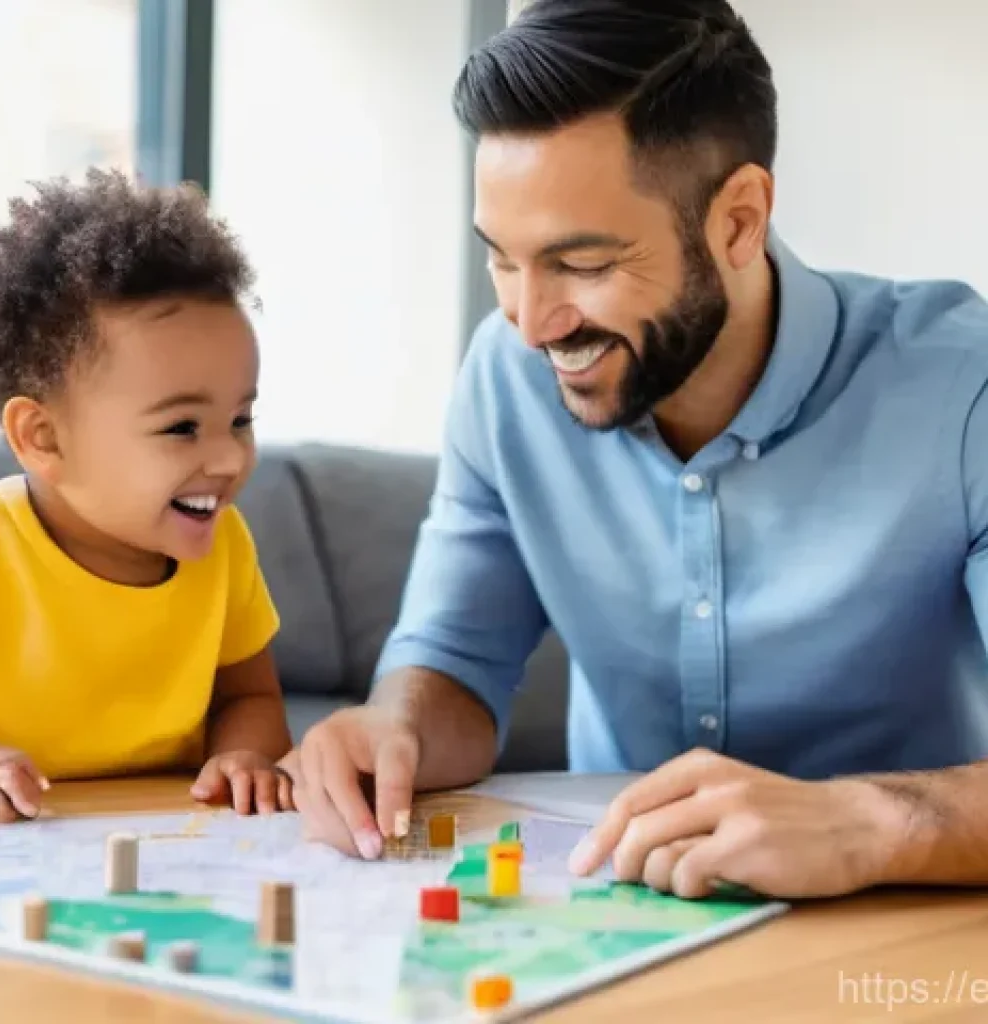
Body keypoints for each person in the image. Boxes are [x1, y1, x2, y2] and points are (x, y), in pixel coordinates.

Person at [293, 0, 988, 898]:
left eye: (581, 264)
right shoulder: (504, 381)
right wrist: (393, 728)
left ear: (739, 220)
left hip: (897, 925)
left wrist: (863, 823)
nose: (529, 321)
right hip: (615, 919)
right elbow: (456, 668)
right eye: (503, 257)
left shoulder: (961, 386)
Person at [0, 169, 296, 825]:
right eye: (181, 428)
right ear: (44, 437)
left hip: (168, 852)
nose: (231, 458)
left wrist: (245, 757)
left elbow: (250, 701)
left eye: (241, 418)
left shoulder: (224, 544)